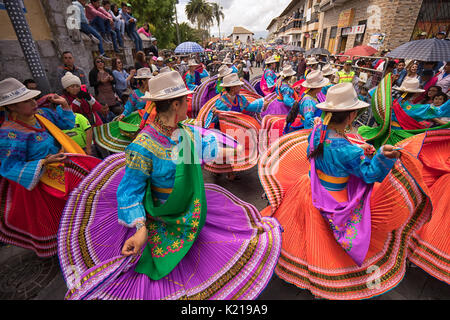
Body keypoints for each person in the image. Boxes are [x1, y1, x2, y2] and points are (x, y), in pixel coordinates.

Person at [57, 71, 282, 300]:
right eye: (185, 100)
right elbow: (128, 192)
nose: (188, 104)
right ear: (176, 104)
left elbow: (207, 146)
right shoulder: (142, 146)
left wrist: (242, 148)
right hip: (162, 220)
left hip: (191, 211)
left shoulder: (186, 131)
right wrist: (140, 228)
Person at [260, 82, 433, 300]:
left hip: (312, 187)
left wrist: (359, 149)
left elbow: (319, 151)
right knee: (331, 243)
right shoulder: (348, 150)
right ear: (351, 115)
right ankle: (327, 280)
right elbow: (371, 174)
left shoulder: (318, 132)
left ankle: (306, 267)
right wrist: (382, 156)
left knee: (307, 235)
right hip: (335, 198)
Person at [0, 77, 101, 257]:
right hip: (41, 185)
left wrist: (65, 105)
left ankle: (83, 240)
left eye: (32, 98)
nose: (33, 103)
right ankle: (69, 250)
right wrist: (43, 162)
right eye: (26, 101)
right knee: (58, 218)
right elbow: (9, 167)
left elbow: (67, 124)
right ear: (11, 107)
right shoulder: (9, 133)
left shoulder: (42, 115)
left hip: (63, 171)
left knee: (81, 205)